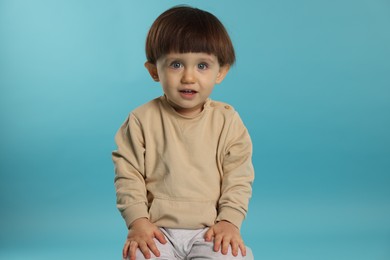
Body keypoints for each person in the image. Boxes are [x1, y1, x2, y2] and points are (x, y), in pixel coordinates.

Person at [112, 5, 254, 260]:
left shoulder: (228, 121)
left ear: (220, 71)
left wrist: (230, 222)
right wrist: (138, 222)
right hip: (157, 231)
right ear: (154, 70)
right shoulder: (141, 120)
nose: (189, 77)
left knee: (233, 257)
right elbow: (128, 175)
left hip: (209, 231)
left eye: (202, 65)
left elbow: (238, 177)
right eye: (176, 64)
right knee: (138, 256)